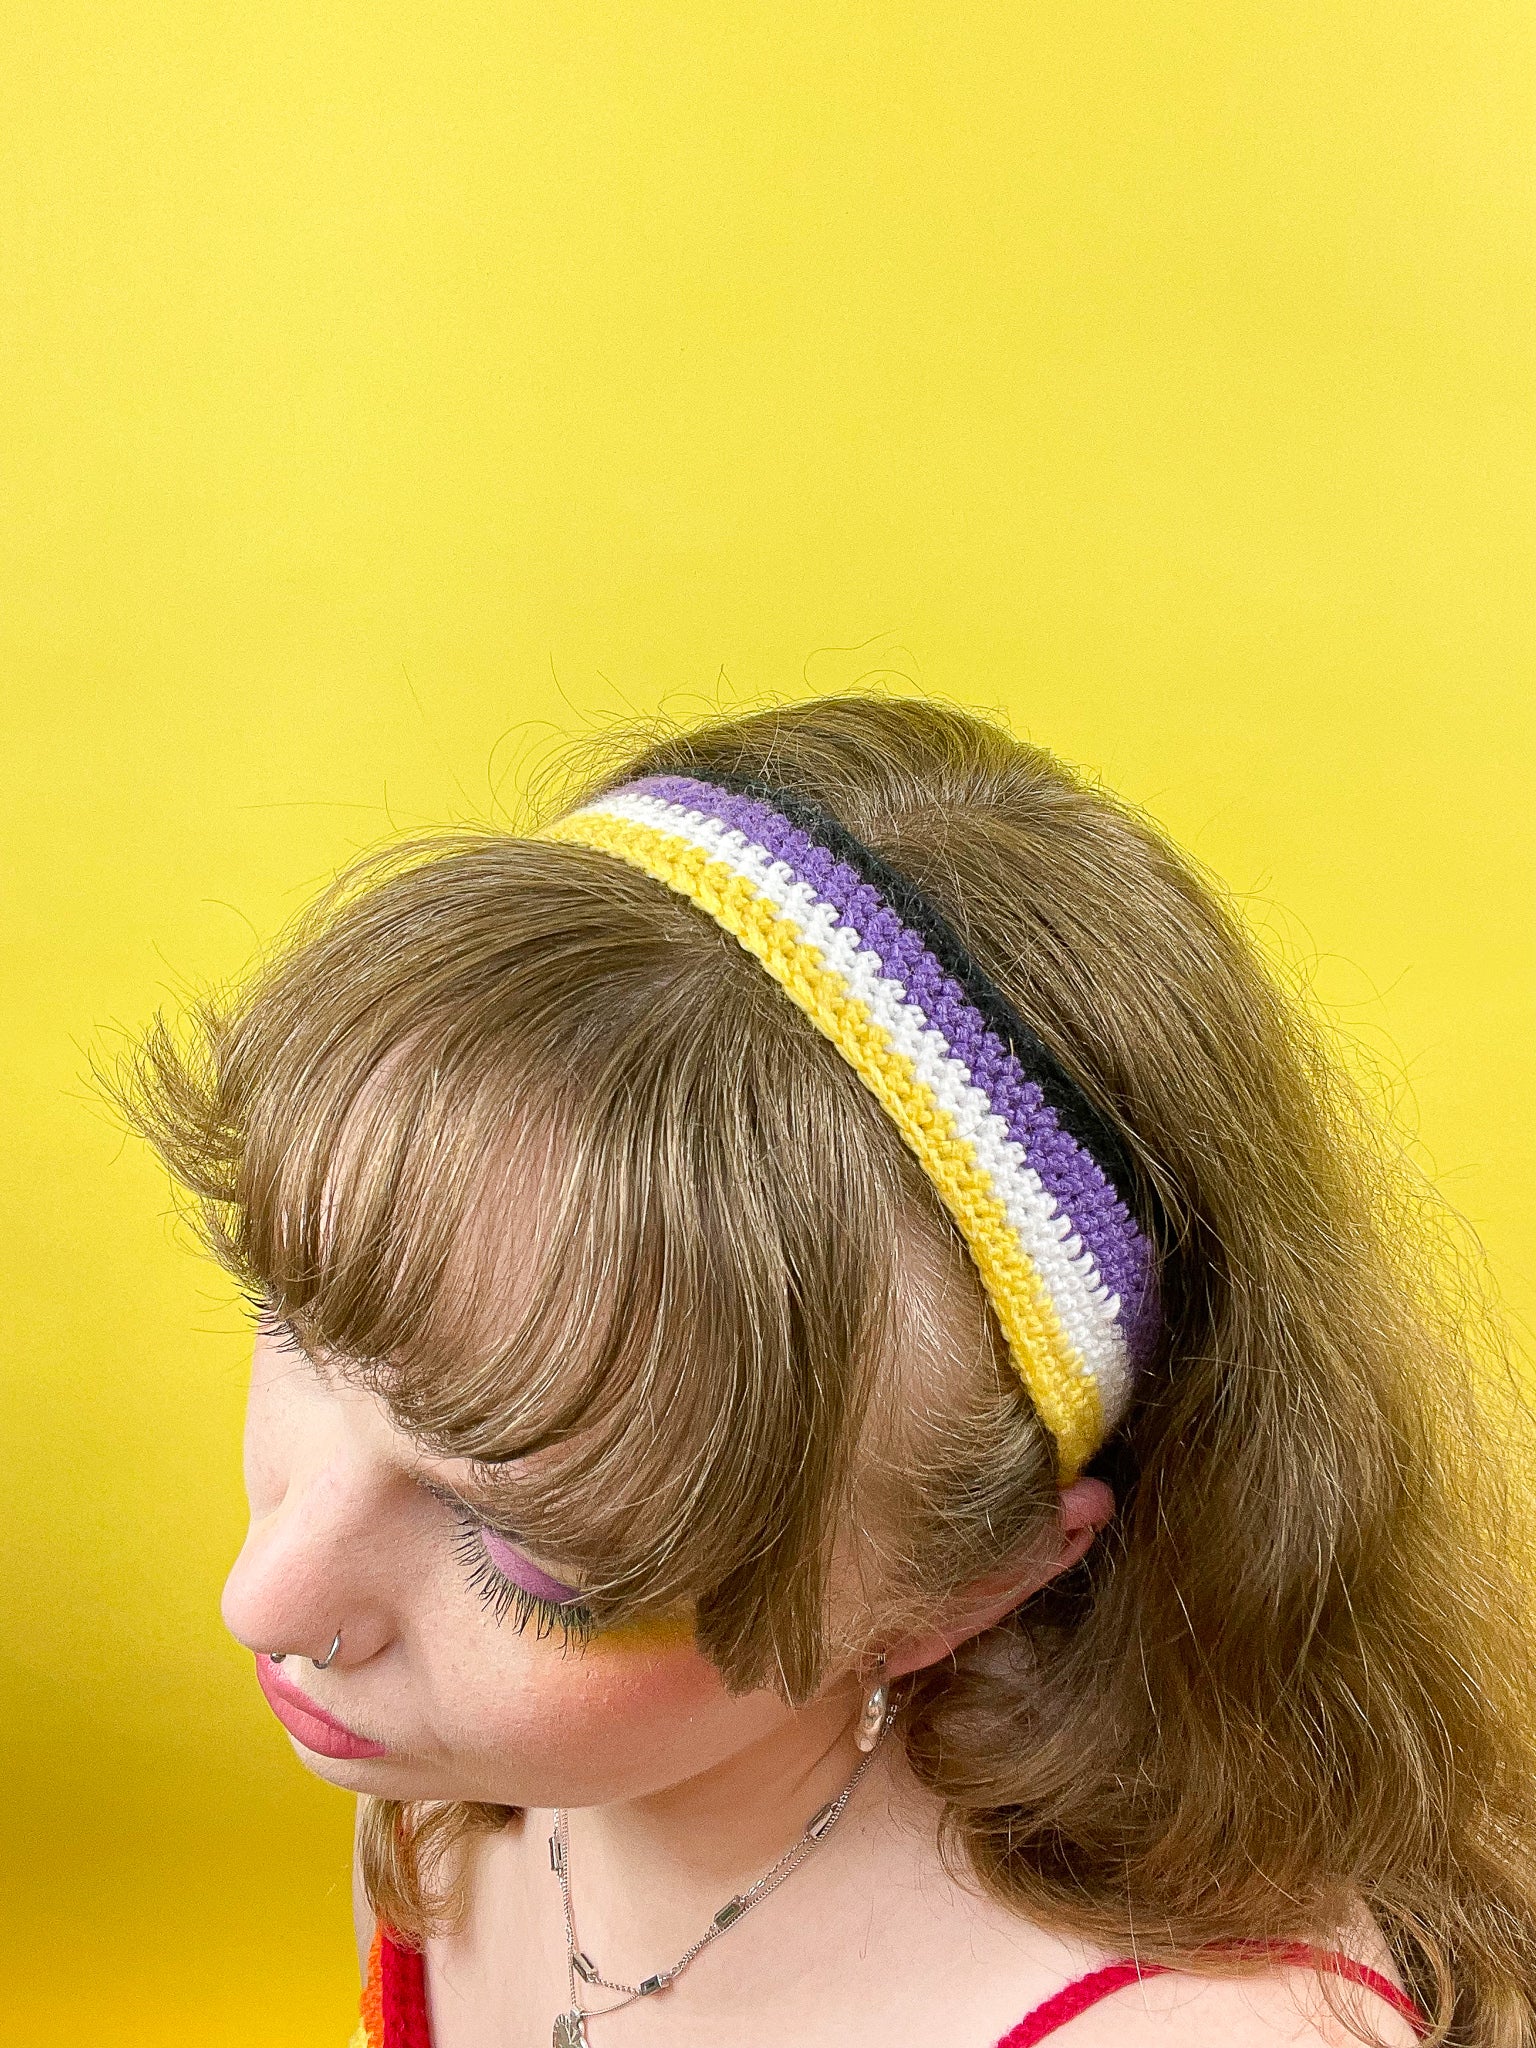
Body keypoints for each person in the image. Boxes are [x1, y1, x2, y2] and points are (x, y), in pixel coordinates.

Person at [112, 694, 1536, 2046]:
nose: (272, 1596)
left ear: (960, 1589)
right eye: (296, 1320)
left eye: (531, 1557)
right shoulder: (458, 1799)